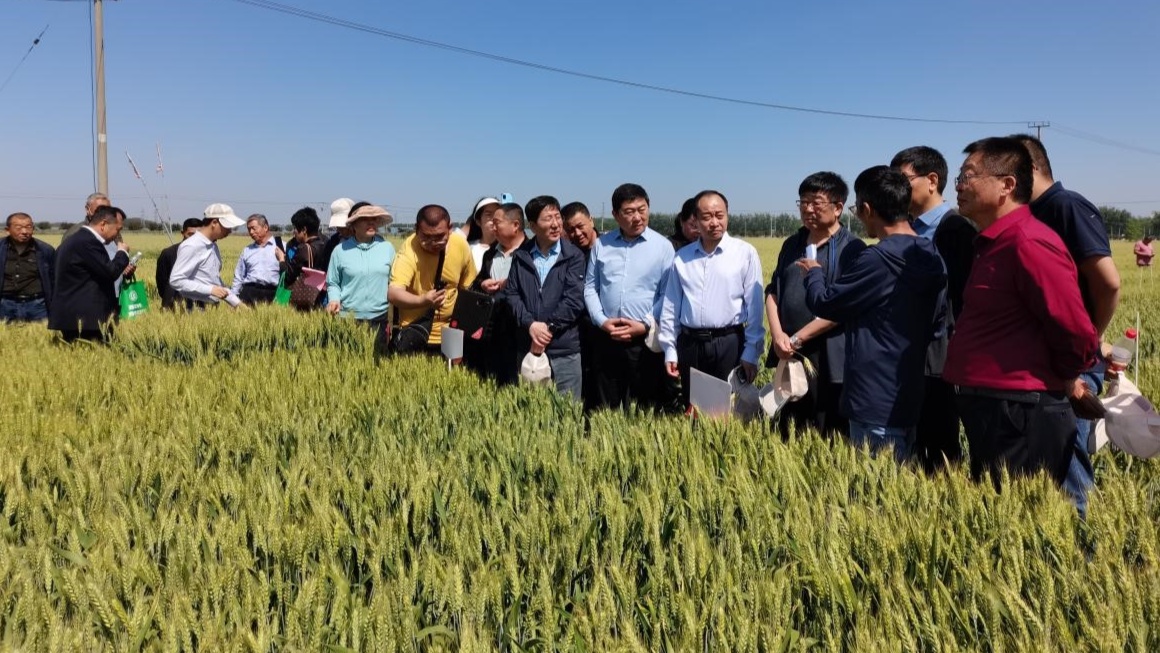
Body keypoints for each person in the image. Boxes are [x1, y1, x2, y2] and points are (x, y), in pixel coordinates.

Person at [944, 136, 1098, 489]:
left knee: (1021, 511)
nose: (959, 186)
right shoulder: (994, 242)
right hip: (996, 406)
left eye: (968, 176)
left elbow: (1074, 328)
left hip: (1019, 410)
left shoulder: (1027, 242)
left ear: (1007, 185)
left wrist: (1067, 376)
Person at [798, 167, 947, 460]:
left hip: (872, 395)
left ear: (867, 209)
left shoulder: (877, 259)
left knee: (876, 481)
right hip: (908, 391)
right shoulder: (931, 253)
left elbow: (826, 303)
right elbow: (937, 323)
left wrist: (814, 273)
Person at [1015, 133, 1121, 517]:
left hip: (1071, 363)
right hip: (1046, 362)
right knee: (1048, 464)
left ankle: (1083, 540)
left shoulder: (1066, 206)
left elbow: (1108, 282)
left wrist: (1089, 342)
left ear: (1029, 169)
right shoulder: (1032, 214)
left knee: (1068, 462)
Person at [890, 145, 978, 470]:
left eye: (902, 181)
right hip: (909, 356)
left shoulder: (956, 232)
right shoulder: (907, 230)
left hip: (940, 361)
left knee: (938, 449)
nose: (896, 190)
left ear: (931, 180)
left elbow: (963, 302)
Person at [764, 172, 865, 439]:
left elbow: (844, 307)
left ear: (838, 207)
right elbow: (773, 292)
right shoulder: (792, 244)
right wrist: (778, 335)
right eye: (803, 202)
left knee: (828, 430)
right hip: (789, 352)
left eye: (816, 202)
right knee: (789, 428)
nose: (808, 209)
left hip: (829, 356)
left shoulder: (852, 249)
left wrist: (797, 338)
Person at [658, 190, 765, 408]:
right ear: (696, 221)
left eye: (719, 215)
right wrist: (670, 348)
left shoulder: (744, 253)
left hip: (729, 343)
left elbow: (755, 307)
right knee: (695, 409)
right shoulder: (682, 258)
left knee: (728, 409)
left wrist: (751, 351)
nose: (714, 222)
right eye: (706, 217)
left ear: (727, 215)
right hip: (690, 344)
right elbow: (671, 306)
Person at [584, 183, 678, 412]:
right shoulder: (601, 245)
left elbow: (667, 294)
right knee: (607, 406)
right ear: (616, 214)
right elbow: (590, 287)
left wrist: (644, 324)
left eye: (642, 209)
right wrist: (602, 321)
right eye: (629, 212)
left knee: (644, 406)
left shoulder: (663, 247)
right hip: (607, 337)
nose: (637, 217)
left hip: (644, 341)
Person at [503, 196, 587, 399]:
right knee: (531, 409)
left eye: (557, 217)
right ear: (532, 226)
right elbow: (512, 294)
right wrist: (531, 325)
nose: (556, 224)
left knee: (567, 409)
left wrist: (548, 329)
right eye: (548, 218)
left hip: (563, 349)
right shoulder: (521, 256)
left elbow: (573, 300)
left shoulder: (574, 256)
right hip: (528, 346)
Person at [388, 204, 477, 353]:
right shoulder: (408, 251)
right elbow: (393, 293)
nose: (433, 243)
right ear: (416, 229)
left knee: (453, 368)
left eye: (440, 237)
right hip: (416, 333)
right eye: (426, 237)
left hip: (452, 332)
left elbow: (467, 287)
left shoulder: (460, 245)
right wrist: (423, 300)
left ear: (450, 228)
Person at [48, 205, 135, 342]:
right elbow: (110, 272)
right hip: (86, 319)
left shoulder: (77, 239)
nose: (117, 236)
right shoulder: (87, 242)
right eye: (117, 229)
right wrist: (122, 252)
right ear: (103, 224)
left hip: (77, 317)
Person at [467, 202, 526, 383]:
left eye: (497, 222)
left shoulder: (530, 253)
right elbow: (476, 282)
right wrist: (482, 283)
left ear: (515, 225)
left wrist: (510, 284)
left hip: (520, 331)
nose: (493, 226)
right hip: (492, 330)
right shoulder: (491, 253)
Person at [325, 204, 395, 329]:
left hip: (380, 317)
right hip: (348, 317)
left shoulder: (387, 248)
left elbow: (394, 281)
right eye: (365, 219)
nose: (371, 223)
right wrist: (334, 299)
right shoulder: (340, 251)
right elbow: (333, 282)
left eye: (374, 219)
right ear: (354, 224)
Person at [170, 203, 245, 309]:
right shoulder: (192, 245)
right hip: (194, 307)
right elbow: (176, 280)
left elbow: (215, 282)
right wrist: (210, 290)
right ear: (214, 223)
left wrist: (238, 304)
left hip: (211, 308)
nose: (230, 231)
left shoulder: (213, 245)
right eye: (227, 227)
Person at [562, 201, 601, 406]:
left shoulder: (609, 249)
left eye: (580, 226)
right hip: (579, 331)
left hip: (605, 330)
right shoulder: (568, 255)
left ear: (591, 220)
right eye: (570, 229)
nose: (576, 233)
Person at [0, 212, 55, 322]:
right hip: (5, 304)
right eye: (18, 228)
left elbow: (54, 279)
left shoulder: (45, 250)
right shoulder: (1, 249)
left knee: (40, 332)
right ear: (7, 230)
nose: (24, 231)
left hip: (37, 305)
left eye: (29, 227)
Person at [279, 207, 328, 310]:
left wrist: (281, 260)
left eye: (295, 228)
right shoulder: (327, 243)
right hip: (323, 297)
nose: (294, 232)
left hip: (307, 299)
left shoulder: (303, 249)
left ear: (304, 230)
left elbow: (289, 276)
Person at [231, 214, 284, 306]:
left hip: (272, 293)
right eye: (249, 229)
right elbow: (239, 276)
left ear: (265, 227)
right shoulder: (247, 250)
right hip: (248, 292)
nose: (251, 232)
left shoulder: (282, 247)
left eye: (254, 228)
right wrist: (233, 299)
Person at [155, 218, 202, 311]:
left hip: (201, 308)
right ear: (182, 233)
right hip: (174, 308)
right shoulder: (168, 254)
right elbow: (161, 284)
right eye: (190, 234)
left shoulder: (207, 254)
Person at [461, 197, 501, 271]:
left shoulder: (508, 248)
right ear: (478, 221)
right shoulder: (468, 248)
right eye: (488, 214)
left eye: (497, 214)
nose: (494, 218)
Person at [323, 198, 355, 265]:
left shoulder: (366, 241)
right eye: (338, 226)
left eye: (343, 227)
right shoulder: (332, 242)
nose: (339, 229)